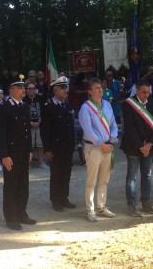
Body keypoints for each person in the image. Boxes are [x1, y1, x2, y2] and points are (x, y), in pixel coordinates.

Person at [0, 81, 36, 231]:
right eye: (20, 88)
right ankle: (11, 217)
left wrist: (30, 150)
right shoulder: (3, 108)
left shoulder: (24, 106)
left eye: (23, 88)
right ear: (11, 90)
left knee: (23, 185)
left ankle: (21, 213)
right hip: (11, 154)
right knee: (11, 186)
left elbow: (27, 132)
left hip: (24, 153)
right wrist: (4, 155)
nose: (23, 90)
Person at [79, 78, 118, 222]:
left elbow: (114, 123)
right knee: (91, 181)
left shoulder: (107, 104)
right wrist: (102, 144)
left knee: (104, 179)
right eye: (96, 88)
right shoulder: (86, 108)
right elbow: (88, 131)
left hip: (108, 147)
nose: (100, 90)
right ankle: (90, 209)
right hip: (94, 148)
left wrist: (112, 138)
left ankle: (101, 207)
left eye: (101, 87)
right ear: (89, 92)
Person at [120, 78, 153, 217]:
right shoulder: (128, 104)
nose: (146, 95)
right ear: (136, 90)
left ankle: (146, 202)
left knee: (147, 175)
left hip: (148, 147)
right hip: (133, 147)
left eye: (148, 92)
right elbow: (129, 128)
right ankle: (131, 205)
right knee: (132, 176)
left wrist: (149, 144)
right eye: (143, 92)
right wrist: (141, 146)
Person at [40, 76, 76, 212]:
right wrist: (47, 149)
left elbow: (70, 126)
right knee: (56, 174)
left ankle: (64, 197)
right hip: (55, 148)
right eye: (63, 89)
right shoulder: (49, 107)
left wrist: (73, 144)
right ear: (55, 90)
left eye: (66, 88)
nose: (66, 91)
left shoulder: (66, 105)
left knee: (66, 173)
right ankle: (55, 200)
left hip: (67, 147)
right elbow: (45, 130)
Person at [23, 82, 47, 169]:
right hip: (29, 126)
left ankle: (41, 162)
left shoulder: (40, 98)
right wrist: (31, 123)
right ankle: (28, 163)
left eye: (33, 88)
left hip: (40, 125)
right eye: (29, 88)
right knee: (29, 145)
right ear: (26, 90)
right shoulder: (23, 100)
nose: (32, 90)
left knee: (41, 145)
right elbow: (22, 114)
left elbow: (45, 112)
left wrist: (39, 122)